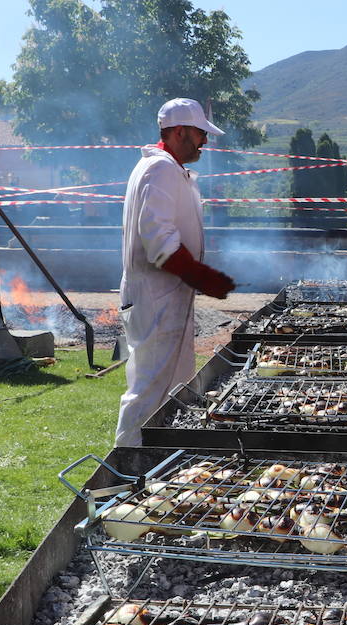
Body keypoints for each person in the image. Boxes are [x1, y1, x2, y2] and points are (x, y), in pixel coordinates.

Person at [114, 99, 235, 447]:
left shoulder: (167, 168)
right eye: (200, 133)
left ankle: (161, 462)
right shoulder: (160, 170)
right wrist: (201, 276)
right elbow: (159, 240)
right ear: (179, 131)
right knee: (149, 389)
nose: (205, 142)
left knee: (174, 385)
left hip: (166, 296)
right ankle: (127, 463)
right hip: (156, 296)